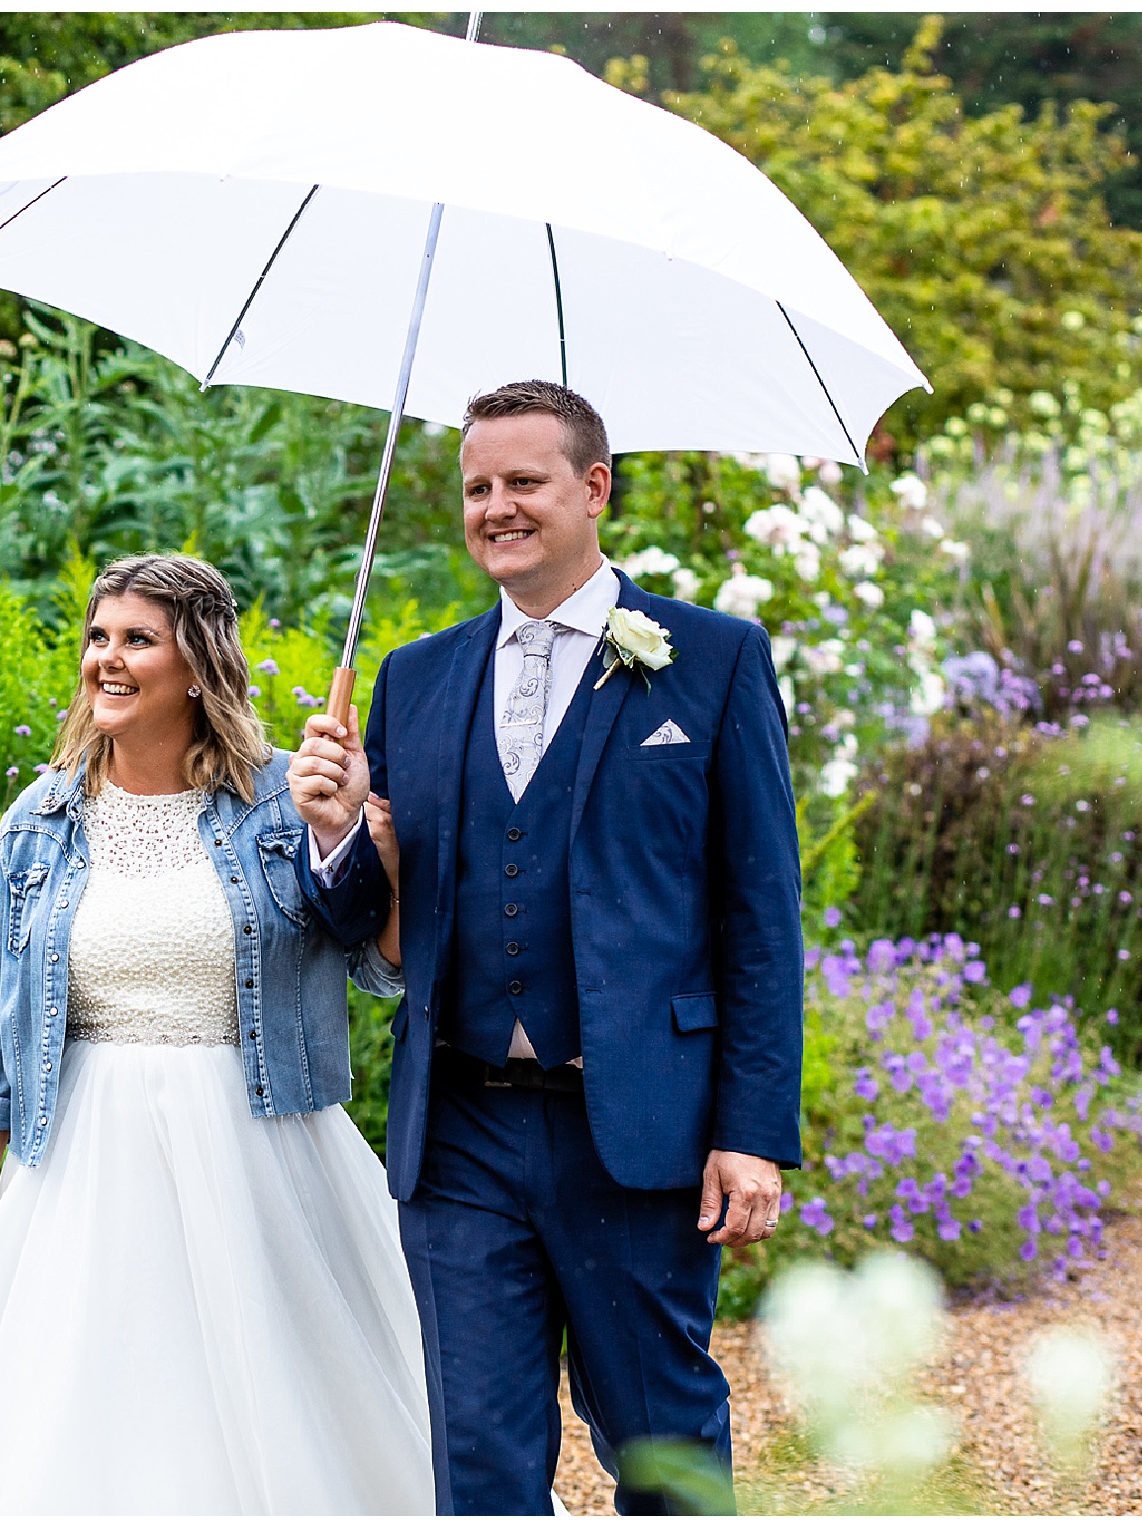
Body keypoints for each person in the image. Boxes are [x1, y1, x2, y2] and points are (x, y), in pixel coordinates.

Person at [289, 380, 806, 1516]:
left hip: (639, 1130)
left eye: (523, 481)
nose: (496, 507)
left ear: (593, 488)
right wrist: (335, 834)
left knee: (661, 1441)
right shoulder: (413, 679)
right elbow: (367, 925)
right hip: (460, 1134)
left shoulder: (711, 661)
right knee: (477, 1458)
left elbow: (760, 915)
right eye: (478, 486)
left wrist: (751, 1133)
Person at [0, 553, 433, 1515]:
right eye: (98, 637)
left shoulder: (286, 800)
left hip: (268, 1154)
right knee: (79, 1416)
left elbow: (382, 967)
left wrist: (366, 847)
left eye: (137, 640)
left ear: (198, 665)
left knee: (292, 1418)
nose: (106, 661)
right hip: (79, 1168)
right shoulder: (38, 822)